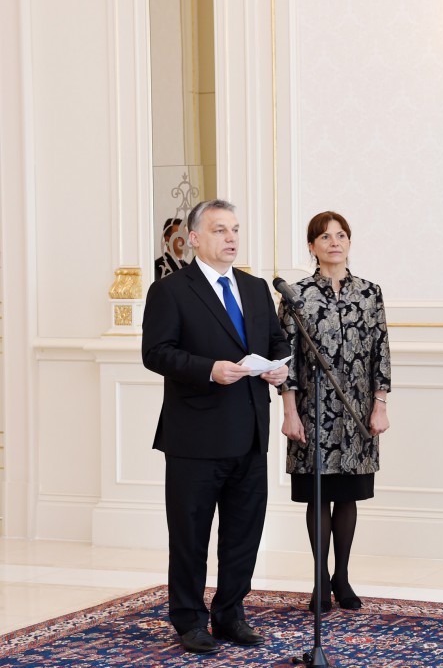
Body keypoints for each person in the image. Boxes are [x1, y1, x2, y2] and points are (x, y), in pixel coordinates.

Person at [142, 199, 290, 655]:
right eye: (220, 229)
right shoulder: (170, 290)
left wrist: (279, 368)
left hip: (250, 433)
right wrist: (209, 369)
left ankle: (230, 613)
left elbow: (277, 341)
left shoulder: (255, 287)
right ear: (194, 239)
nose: (231, 238)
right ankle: (189, 619)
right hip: (196, 436)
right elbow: (156, 353)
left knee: (244, 533)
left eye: (236, 229)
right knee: (190, 535)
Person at [278, 211, 391, 614]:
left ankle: (342, 578)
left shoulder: (370, 292)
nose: (334, 242)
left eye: (341, 235)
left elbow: (381, 352)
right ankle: (319, 581)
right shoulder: (296, 295)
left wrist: (380, 405)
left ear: (349, 241)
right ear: (312, 246)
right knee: (319, 494)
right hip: (313, 411)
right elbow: (286, 359)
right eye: (324, 237)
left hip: (357, 412)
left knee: (348, 495)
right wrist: (289, 412)